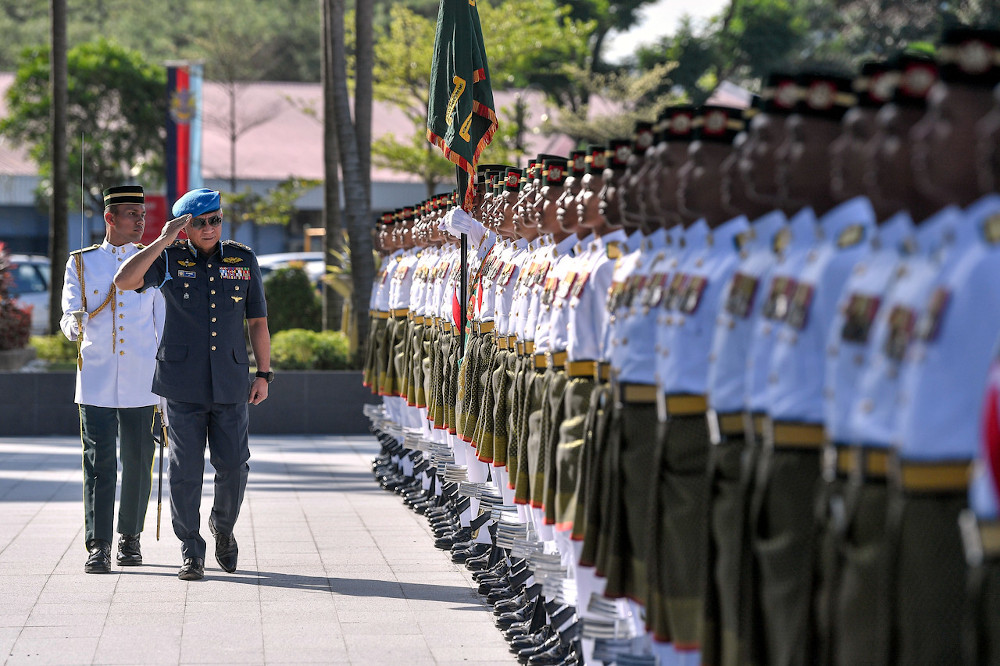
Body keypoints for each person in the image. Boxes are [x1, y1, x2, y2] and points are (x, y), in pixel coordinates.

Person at [114, 187, 272, 581]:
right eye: (200, 223)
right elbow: (124, 280)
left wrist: (264, 374)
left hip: (231, 381)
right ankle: (191, 548)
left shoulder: (242, 259)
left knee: (234, 465)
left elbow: (258, 322)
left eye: (215, 220)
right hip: (181, 383)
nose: (209, 228)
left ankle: (223, 527)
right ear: (185, 227)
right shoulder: (168, 257)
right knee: (185, 469)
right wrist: (163, 239)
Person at [60, 185, 164, 574]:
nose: (141, 221)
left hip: (141, 379)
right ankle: (99, 543)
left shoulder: (152, 261)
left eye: (142, 215)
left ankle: (130, 538)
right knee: (99, 462)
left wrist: (164, 383)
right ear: (110, 218)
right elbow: (69, 311)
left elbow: (161, 324)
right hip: (98, 378)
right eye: (131, 215)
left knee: (139, 460)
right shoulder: (82, 263)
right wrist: (74, 323)